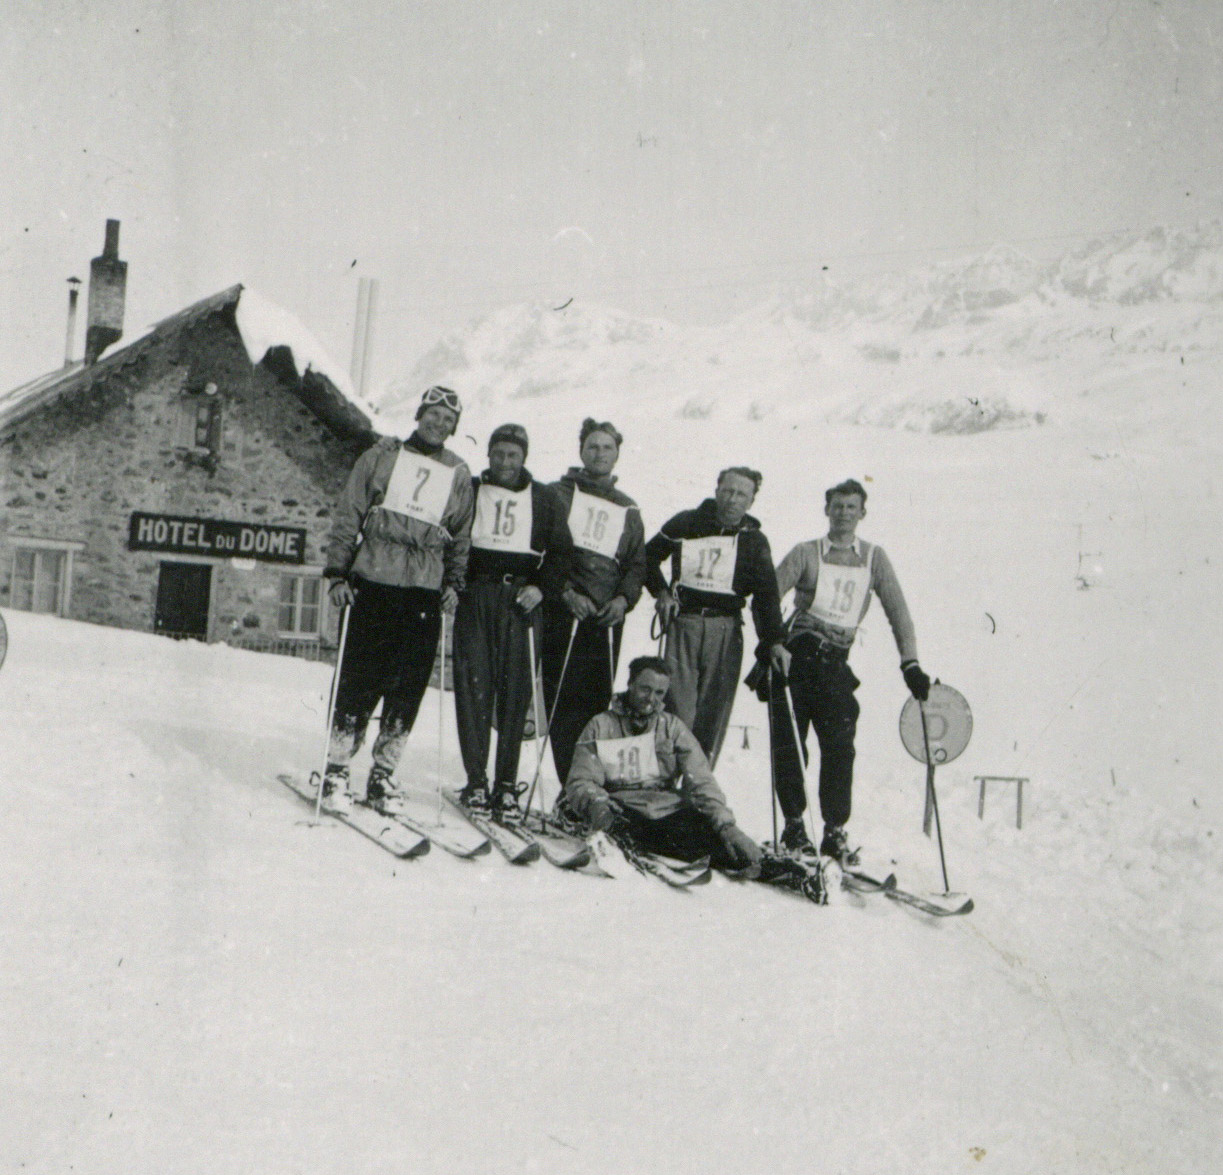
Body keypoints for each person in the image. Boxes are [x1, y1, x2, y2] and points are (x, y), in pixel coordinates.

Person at [319, 386, 475, 812]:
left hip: (424, 588)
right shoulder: (381, 456)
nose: (437, 424)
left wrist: (454, 585)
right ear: (419, 414)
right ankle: (335, 770)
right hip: (375, 579)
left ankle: (383, 775)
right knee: (359, 679)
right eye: (432, 415)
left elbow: (461, 535)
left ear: (454, 428)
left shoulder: (458, 472)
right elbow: (349, 512)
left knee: (407, 686)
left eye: (447, 420)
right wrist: (337, 572)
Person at [759, 478, 931, 864]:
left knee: (839, 746)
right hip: (796, 658)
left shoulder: (873, 558)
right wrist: (771, 644)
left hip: (835, 663)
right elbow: (769, 595)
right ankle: (793, 826)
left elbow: (898, 611)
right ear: (827, 510)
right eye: (837, 506)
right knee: (790, 743)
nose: (843, 514)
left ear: (862, 513)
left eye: (851, 507)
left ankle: (834, 831)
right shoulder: (806, 553)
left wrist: (911, 663)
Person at [452, 424, 570, 823]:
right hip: (476, 595)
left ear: (524, 458)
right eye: (498, 454)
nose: (505, 462)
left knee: (516, 693)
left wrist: (542, 587)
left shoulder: (544, 497)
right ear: (488, 454)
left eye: (513, 455)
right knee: (473, 689)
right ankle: (476, 782)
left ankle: (505, 785)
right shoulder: (470, 487)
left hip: (520, 599)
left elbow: (561, 553)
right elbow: (449, 531)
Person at [644, 466, 790, 767]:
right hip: (684, 623)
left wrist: (775, 640)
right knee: (675, 707)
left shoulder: (754, 540)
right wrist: (661, 592)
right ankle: (665, 784)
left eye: (741, 495)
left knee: (713, 713)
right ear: (717, 490)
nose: (732, 499)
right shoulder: (686, 522)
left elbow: (766, 596)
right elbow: (646, 557)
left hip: (725, 629)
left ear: (751, 502)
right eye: (728, 490)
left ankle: (698, 791)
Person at [561, 656, 763, 870]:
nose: (651, 699)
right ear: (630, 684)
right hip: (621, 809)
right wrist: (597, 805)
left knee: (716, 842)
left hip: (665, 811)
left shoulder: (672, 727)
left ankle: (762, 863)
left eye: (659, 693)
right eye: (645, 689)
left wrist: (727, 826)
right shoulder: (601, 725)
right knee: (626, 831)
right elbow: (581, 780)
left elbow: (701, 779)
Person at [538, 418, 647, 785]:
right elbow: (544, 550)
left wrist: (623, 600)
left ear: (617, 454)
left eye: (607, 447)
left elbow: (636, 563)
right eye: (593, 446)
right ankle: (568, 784)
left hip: (603, 619)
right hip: (565, 612)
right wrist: (565, 592)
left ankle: (587, 787)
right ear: (581, 450)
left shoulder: (628, 508)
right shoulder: (558, 493)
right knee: (561, 704)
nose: (600, 454)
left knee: (596, 707)